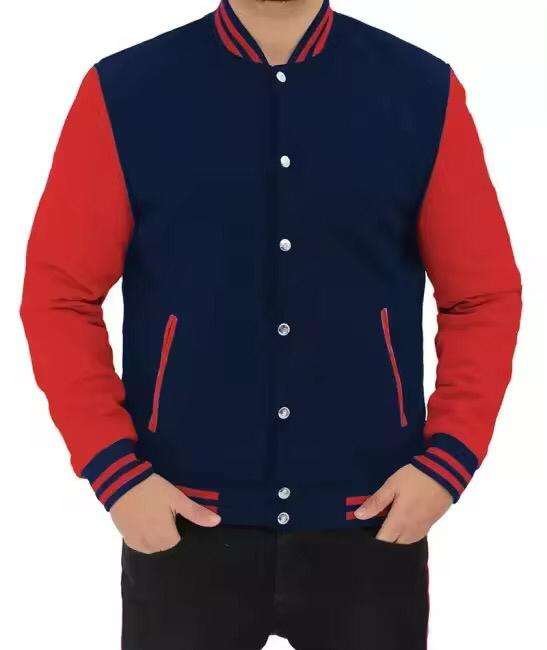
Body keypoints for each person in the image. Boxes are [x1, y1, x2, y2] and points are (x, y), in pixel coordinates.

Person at [20, 1, 521, 648]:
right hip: (178, 520)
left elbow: (480, 295)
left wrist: (448, 460)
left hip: (372, 522)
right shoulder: (126, 92)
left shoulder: (419, 91)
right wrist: (115, 472)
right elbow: (60, 295)